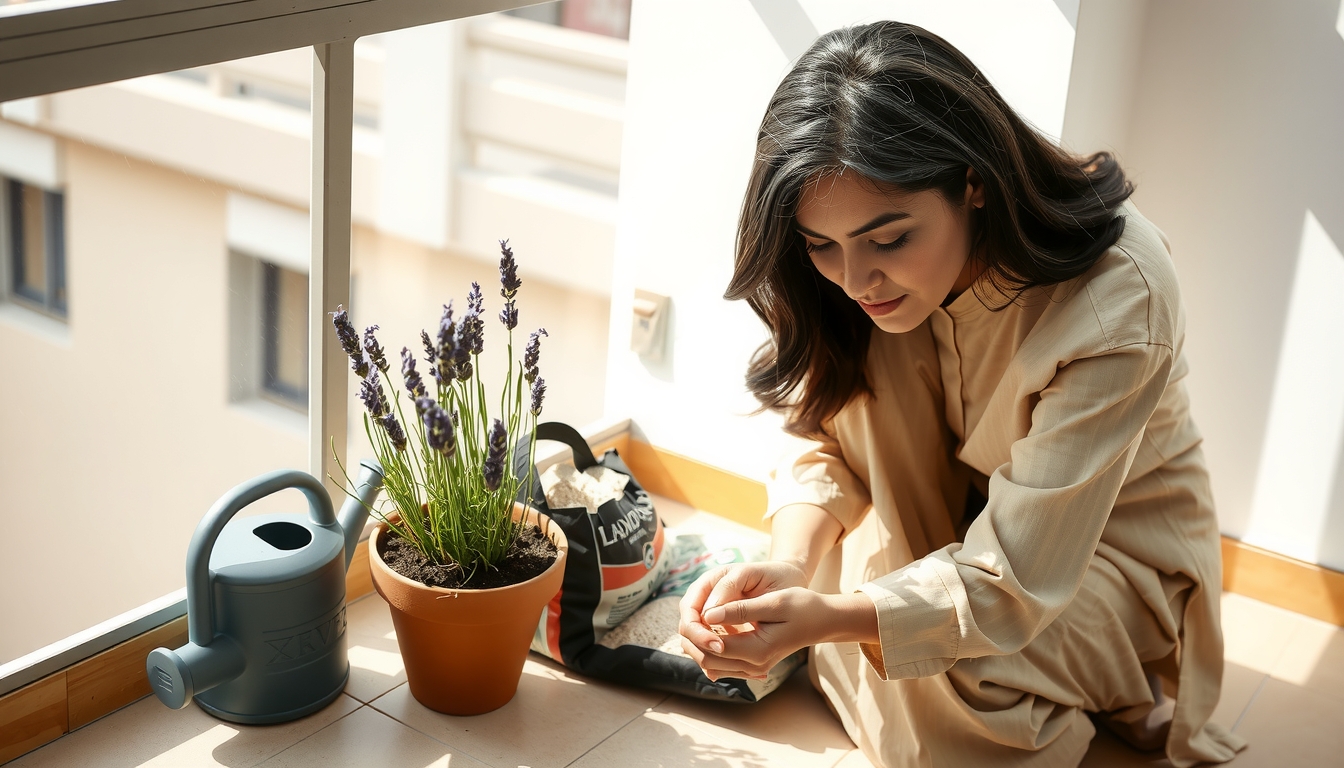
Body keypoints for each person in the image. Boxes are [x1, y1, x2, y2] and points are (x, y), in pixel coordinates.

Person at [676, 21, 1246, 768]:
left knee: (919, 660)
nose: (855, 279)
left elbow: (1017, 575)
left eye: (887, 238)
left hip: (1112, 556)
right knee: (890, 629)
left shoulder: (1119, 297)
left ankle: (1102, 687)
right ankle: (1014, 703)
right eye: (822, 245)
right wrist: (792, 564)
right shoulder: (870, 290)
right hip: (958, 524)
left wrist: (837, 621)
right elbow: (829, 435)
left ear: (971, 183)